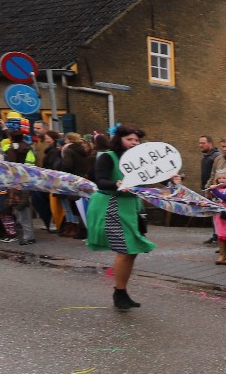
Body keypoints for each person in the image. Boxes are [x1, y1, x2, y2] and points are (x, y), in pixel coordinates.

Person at [85, 125, 156, 310]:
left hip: (131, 207)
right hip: (111, 205)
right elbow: (100, 180)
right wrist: (116, 184)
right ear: (119, 140)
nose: (134, 143)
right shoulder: (108, 157)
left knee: (132, 251)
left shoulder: (140, 160)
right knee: (125, 249)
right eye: (129, 139)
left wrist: (172, 178)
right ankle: (119, 293)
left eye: (137, 140)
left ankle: (121, 291)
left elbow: (154, 177)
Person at [56, 133, 92, 238]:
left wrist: (64, 175)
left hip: (73, 180)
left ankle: (79, 230)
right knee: (82, 204)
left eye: (66, 139)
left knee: (74, 205)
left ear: (69, 140)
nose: (65, 141)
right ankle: (83, 229)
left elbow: (67, 165)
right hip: (83, 178)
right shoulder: (82, 149)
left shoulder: (69, 150)